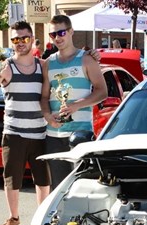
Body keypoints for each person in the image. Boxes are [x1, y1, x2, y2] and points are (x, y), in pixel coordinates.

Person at [0, 21, 51, 225]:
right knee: (12, 179)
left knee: (43, 180)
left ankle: (41, 218)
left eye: (24, 38)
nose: (20, 43)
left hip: (40, 132)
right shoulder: (5, 67)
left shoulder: (43, 66)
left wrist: (92, 55)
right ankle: (14, 217)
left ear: (33, 40)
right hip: (14, 133)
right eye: (15, 39)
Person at [41, 15, 108, 191]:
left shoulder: (86, 59)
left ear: (71, 32)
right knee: (57, 189)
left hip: (81, 134)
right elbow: (43, 97)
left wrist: (77, 105)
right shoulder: (48, 63)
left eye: (61, 32)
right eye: (53, 34)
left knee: (82, 188)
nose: (57, 37)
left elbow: (102, 91)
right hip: (54, 135)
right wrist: (48, 116)